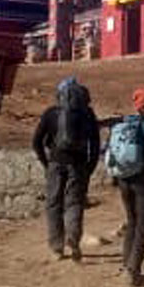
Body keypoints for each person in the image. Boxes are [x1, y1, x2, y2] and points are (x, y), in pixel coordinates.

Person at [32, 77, 101, 261]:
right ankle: (73, 239)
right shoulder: (88, 114)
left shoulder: (51, 113)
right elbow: (95, 145)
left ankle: (56, 247)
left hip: (55, 163)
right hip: (79, 165)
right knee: (75, 203)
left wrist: (46, 163)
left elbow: (36, 141)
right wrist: (89, 168)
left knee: (54, 204)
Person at [107, 86, 144, 287]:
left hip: (124, 180)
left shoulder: (124, 123)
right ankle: (134, 271)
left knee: (132, 221)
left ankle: (127, 264)